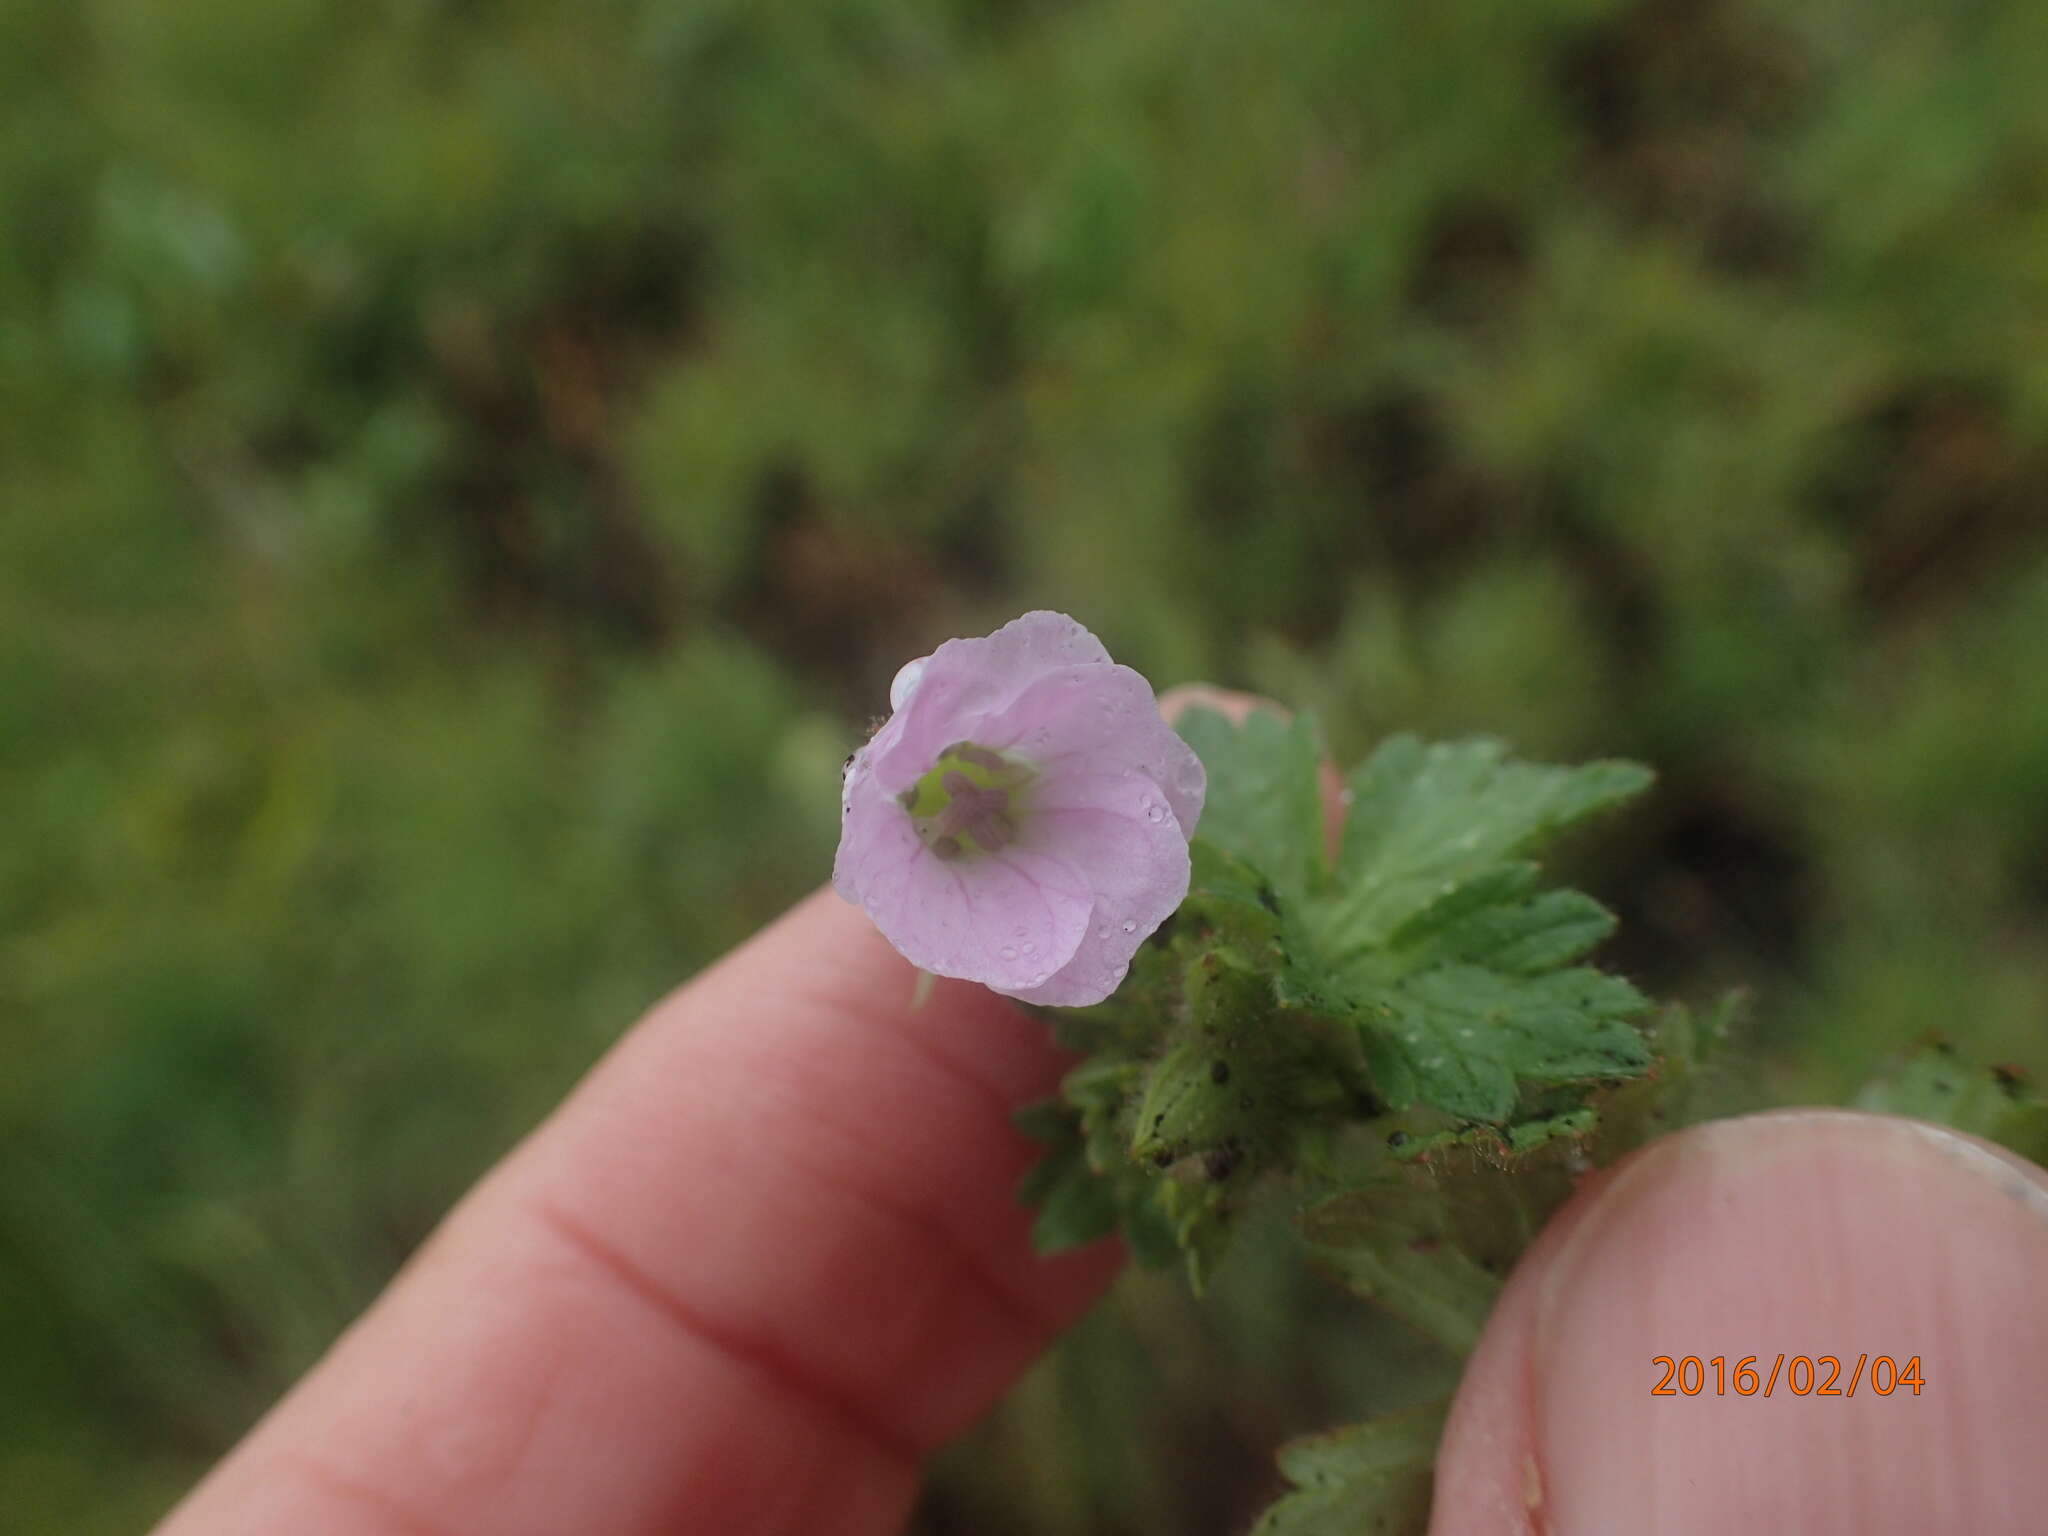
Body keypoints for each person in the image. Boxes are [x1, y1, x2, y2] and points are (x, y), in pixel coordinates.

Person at [155, 696, 2048, 1536]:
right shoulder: (933, 869)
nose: (961, 800)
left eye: (968, 781)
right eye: (942, 795)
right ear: (911, 790)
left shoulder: (1096, 776)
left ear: (1018, 736)